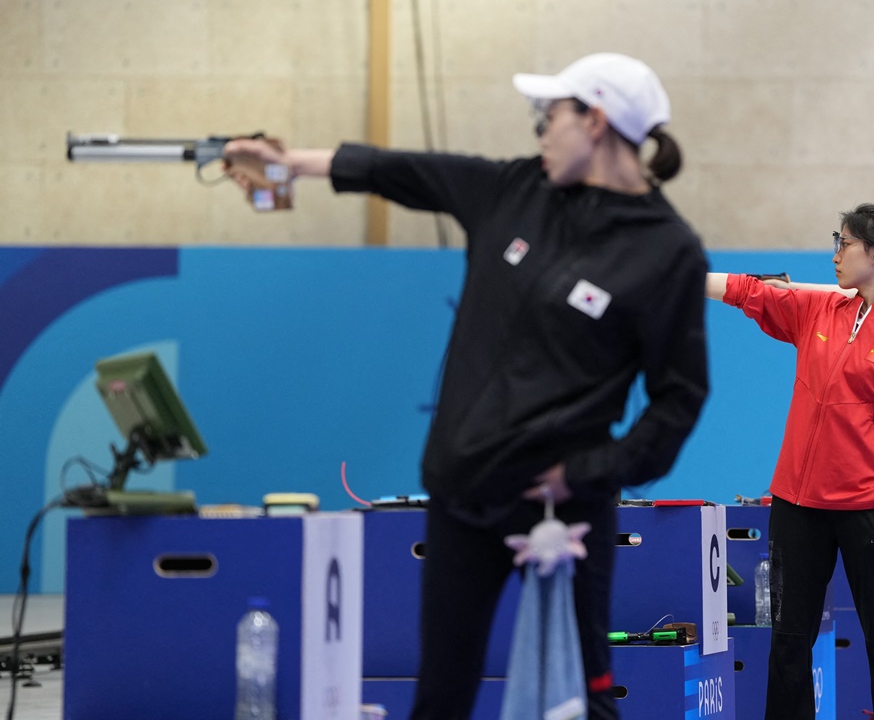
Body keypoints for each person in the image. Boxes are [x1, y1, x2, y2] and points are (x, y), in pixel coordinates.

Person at [224, 52, 710, 719]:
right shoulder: (515, 191)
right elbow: (402, 170)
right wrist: (285, 163)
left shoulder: (669, 251)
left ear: (594, 121)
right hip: (461, 499)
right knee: (441, 697)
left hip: (562, 512)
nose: (540, 131)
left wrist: (589, 473)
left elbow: (680, 397)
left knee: (581, 699)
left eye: (551, 116)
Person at [707, 204, 874, 720]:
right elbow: (754, 292)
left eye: (845, 243)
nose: (835, 254)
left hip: (868, 511)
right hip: (796, 504)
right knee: (789, 642)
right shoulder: (820, 310)